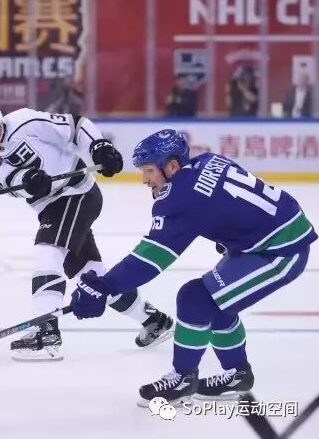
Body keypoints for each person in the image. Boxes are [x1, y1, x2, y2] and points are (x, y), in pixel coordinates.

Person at [69, 129, 316, 405]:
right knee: (218, 302)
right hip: (275, 234)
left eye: (149, 170)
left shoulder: (181, 198)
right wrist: (232, 232)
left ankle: (183, 379)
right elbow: (230, 200)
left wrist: (105, 286)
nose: (144, 179)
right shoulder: (208, 160)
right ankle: (238, 374)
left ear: (172, 166)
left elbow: (150, 259)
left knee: (195, 299)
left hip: (281, 250)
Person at [0, 101, 175, 361]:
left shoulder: (24, 121)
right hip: (49, 207)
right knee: (91, 277)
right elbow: (13, 184)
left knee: (47, 250)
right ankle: (154, 321)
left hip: (76, 192)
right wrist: (27, 182)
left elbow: (75, 127)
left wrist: (99, 146)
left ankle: (45, 332)